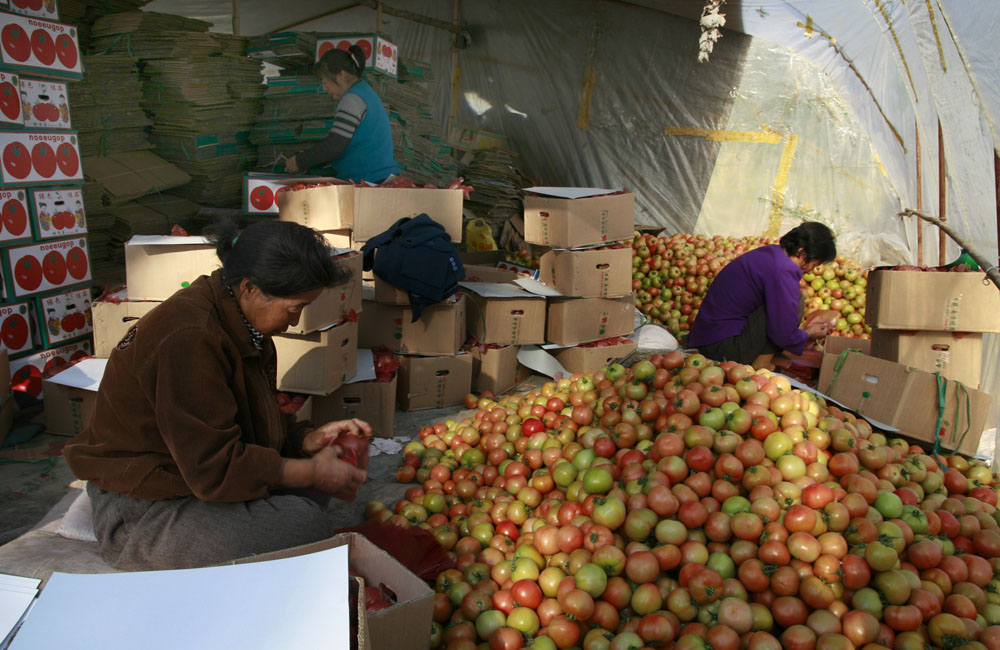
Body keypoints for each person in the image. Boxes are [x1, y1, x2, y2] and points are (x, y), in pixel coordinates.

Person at [64, 220, 369, 571]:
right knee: (306, 524)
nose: (294, 321)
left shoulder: (244, 324)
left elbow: (251, 420)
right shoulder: (190, 338)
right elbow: (212, 469)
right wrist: (305, 472)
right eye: (293, 308)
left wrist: (305, 440)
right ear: (250, 288)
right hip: (144, 503)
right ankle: (132, 540)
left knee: (316, 486)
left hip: (193, 478)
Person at [686, 222, 837, 367]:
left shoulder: (772, 253)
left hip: (707, 337)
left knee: (786, 302)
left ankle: (764, 358)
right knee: (794, 300)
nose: (811, 271)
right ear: (802, 252)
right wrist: (807, 335)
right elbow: (782, 333)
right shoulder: (783, 270)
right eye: (815, 264)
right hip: (721, 348)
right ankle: (761, 363)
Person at [284, 45, 399, 183]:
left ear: (341, 75)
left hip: (368, 180)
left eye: (326, 82)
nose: (325, 89)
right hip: (379, 177)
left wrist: (299, 161)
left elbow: (335, 145)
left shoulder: (352, 99)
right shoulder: (366, 92)